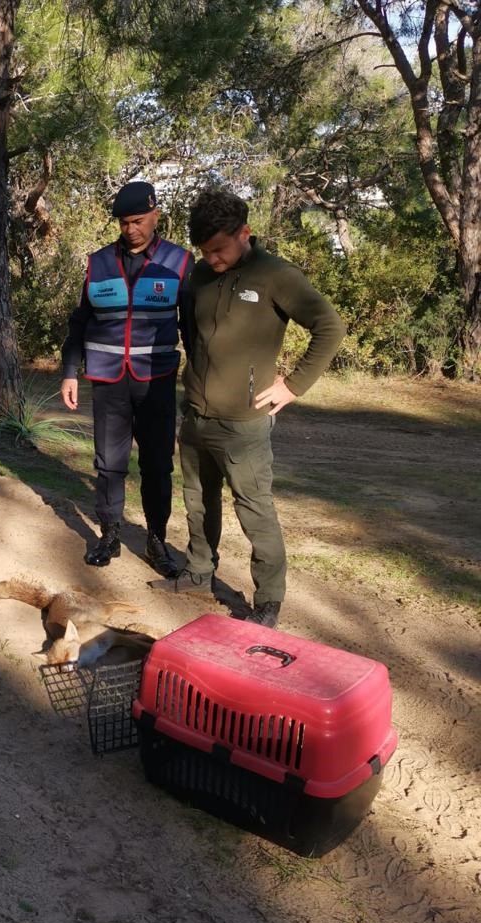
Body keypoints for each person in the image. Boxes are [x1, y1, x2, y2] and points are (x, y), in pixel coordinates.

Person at [151, 188, 346, 628]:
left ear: (245, 233)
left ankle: (268, 601)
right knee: (198, 503)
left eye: (219, 249)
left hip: (244, 425)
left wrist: (293, 386)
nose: (212, 259)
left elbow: (330, 326)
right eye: (205, 251)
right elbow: (192, 333)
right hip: (197, 417)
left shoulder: (276, 275)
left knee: (254, 510)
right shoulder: (199, 276)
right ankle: (199, 572)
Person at [60, 181, 192, 575]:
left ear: (156, 215)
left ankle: (156, 539)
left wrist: (201, 378)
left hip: (158, 380)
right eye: (123, 222)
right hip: (109, 379)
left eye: (138, 220)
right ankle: (109, 534)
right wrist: (69, 371)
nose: (130, 228)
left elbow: (194, 328)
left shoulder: (179, 262)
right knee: (109, 463)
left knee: (157, 465)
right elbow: (80, 321)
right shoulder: (98, 262)